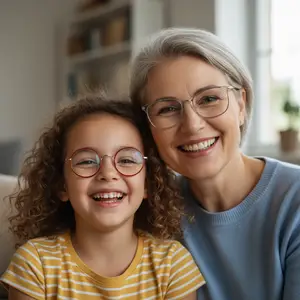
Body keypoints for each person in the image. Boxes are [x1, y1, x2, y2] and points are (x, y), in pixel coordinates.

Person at [129, 27, 300, 300]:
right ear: (147, 128)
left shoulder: (294, 202)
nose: (193, 125)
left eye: (209, 99)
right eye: (168, 109)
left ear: (241, 105)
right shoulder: (153, 210)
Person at [0, 93, 205, 299]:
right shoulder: (34, 265)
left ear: (148, 183)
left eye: (126, 159)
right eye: (87, 161)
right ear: (61, 185)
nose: (108, 173)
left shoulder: (173, 265)